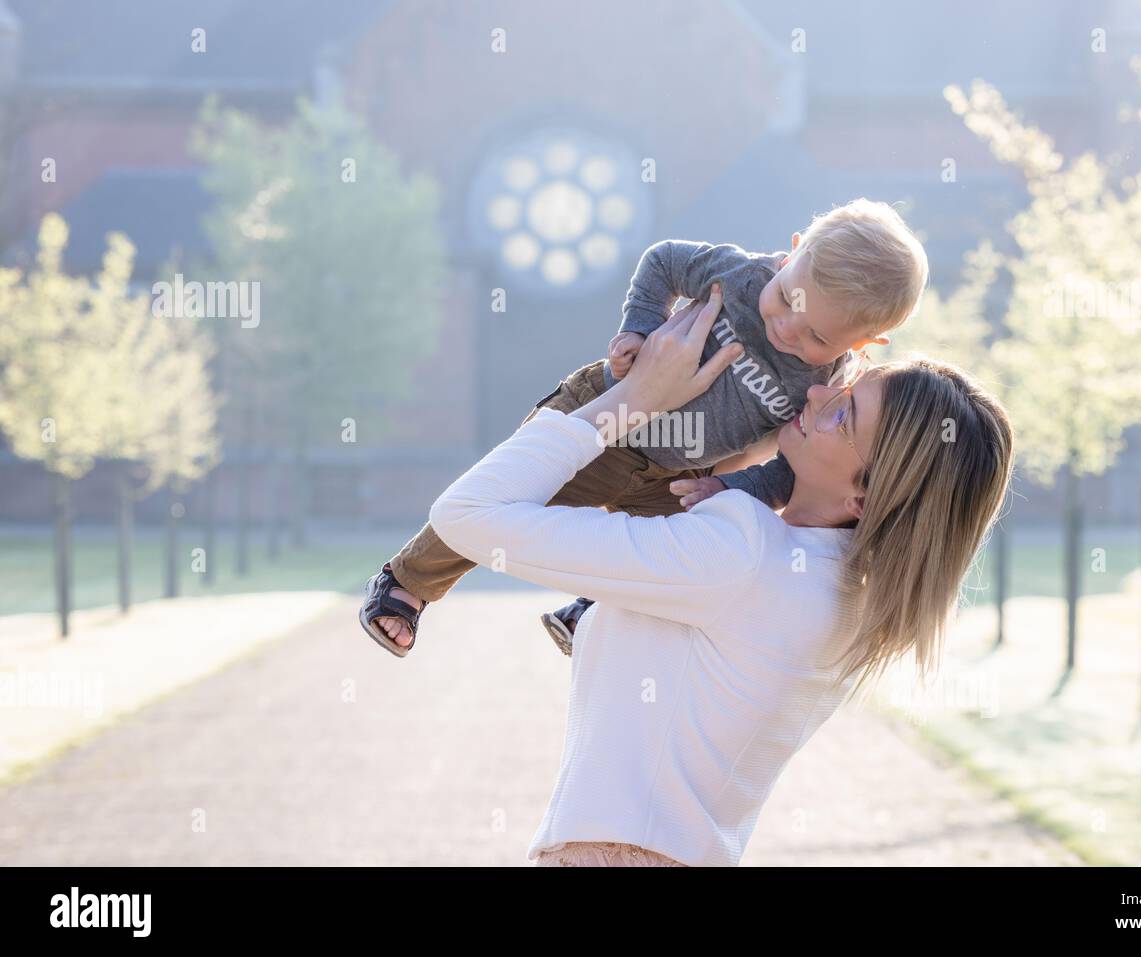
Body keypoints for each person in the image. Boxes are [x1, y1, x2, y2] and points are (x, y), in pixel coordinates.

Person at [426, 292, 1015, 867]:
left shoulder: (742, 553)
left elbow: (470, 515)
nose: (817, 392)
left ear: (865, 494)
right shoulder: (848, 595)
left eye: (845, 413)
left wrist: (633, 396)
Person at [359, 198, 930, 656]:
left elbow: (792, 464)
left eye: (816, 337)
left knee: (679, 554)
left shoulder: (830, 383)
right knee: (514, 500)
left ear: (865, 343)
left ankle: (593, 612)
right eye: (785, 300)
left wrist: (732, 489)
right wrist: (639, 327)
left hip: (680, 469)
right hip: (608, 424)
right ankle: (409, 583)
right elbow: (661, 261)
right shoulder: (735, 273)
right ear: (792, 253)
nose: (786, 328)